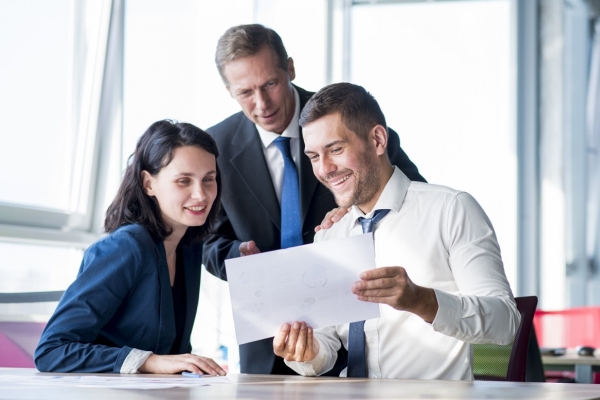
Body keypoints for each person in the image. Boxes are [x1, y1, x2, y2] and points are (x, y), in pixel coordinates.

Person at [202, 23, 426, 376]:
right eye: (245, 92)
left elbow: (413, 201)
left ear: (289, 68)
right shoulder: (214, 146)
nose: (261, 104)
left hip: (357, 325)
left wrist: (358, 207)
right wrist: (238, 254)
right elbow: (209, 241)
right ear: (228, 91)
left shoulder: (346, 119)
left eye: (271, 84)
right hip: (268, 339)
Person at [272, 82, 520, 380]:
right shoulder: (330, 233)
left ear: (377, 140)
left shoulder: (451, 209)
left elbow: (506, 323)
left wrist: (423, 301)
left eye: (336, 149)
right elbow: (326, 346)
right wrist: (306, 353)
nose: (324, 169)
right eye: (313, 157)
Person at [35, 120, 227, 376]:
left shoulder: (189, 247)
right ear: (148, 184)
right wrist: (149, 361)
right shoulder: (126, 246)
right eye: (183, 181)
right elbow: (51, 351)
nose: (201, 195)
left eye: (208, 179)